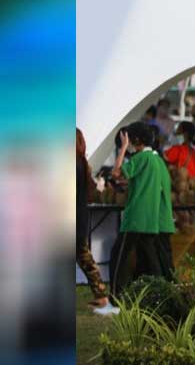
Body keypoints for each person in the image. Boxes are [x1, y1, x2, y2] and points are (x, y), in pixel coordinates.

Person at [108, 122, 175, 297]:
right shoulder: (155, 160)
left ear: (136, 140)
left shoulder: (140, 158)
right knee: (152, 261)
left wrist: (123, 148)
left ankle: (115, 297)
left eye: (129, 140)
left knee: (119, 257)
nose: (128, 144)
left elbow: (115, 173)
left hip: (135, 216)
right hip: (151, 218)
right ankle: (163, 294)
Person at [76, 129, 112, 313]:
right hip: (80, 217)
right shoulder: (83, 164)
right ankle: (101, 295)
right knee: (85, 258)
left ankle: (101, 296)